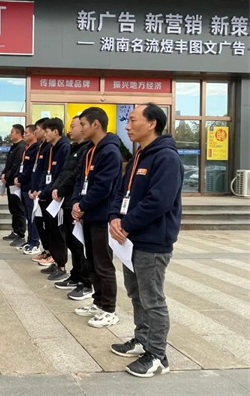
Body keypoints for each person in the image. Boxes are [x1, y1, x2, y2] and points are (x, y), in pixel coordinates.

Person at [109, 103, 183, 378]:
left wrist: (126, 225)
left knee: (152, 299)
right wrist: (114, 217)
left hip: (152, 241)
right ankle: (142, 340)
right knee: (136, 294)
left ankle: (158, 355)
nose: (127, 126)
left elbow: (159, 201)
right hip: (130, 240)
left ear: (152, 124)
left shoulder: (166, 158)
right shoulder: (139, 156)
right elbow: (121, 191)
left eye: (132, 120)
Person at [72, 107, 123, 328]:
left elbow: (103, 186)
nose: (80, 128)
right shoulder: (90, 151)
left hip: (101, 216)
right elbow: (79, 180)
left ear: (96, 124)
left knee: (103, 263)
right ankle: (98, 302)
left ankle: (109, 309)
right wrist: (76, 202)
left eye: (83, 124)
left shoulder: (110, 151)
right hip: (87, 214)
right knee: (91, 261)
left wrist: (83, 205)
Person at [49, 115, 93, 301]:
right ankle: (76, 276)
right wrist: (56, 188)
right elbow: (64, 173)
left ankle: (86, 282)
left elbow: (76, 176)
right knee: (71, 242)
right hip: (67, 201)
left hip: (76, 203)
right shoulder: (74, 148)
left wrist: (63, 191)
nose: (71, 130)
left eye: (76, 126)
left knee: (79, 244)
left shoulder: (87, 150)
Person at [37, 118, 71, 280]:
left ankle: (61, 265)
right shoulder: (51, 148)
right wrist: (41, 190)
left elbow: (61, 174)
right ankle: (56, 261)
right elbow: (46, 171)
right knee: (50, 230)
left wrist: (48, 191)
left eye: (47, 131)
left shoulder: (64, 148)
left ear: (55, 131)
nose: (45, 134)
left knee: (58, 232)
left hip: (56, 197)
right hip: (47, 194)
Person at [14, 124, 40, 252]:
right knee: (27, 215)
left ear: (34, 134)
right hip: (23, 187)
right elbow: (22, 166)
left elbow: (31, 169)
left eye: (26, 133)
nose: (24, 135)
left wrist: (21, 179)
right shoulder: (27, 148)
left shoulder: (37, 148)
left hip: (30, 186)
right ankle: (30, 240)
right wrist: (18, 178)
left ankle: (35, 241)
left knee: (32, 216)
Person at [26, 117, 50, 258]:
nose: (35, 132)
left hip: (44, 192)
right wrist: (33, 188)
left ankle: (45, 249)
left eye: (37, 129)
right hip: (35, 190)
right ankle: (44, 249)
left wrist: (39, 189)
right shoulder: (41, 147)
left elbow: (46, 172)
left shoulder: (51, 148)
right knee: (34, 218)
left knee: (45, 224)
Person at [0, 124, 27, 246]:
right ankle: (15, 230)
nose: (10, 134)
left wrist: (8, 175)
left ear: (18, 134)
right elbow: (9, 164)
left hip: (15, 182)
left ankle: (21, 234)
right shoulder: (14, 147)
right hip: (9, 182)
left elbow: (16, 165)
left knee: (18, 208)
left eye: (12, 132)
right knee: (13, 207)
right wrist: (4, 174)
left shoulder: (21, 147)